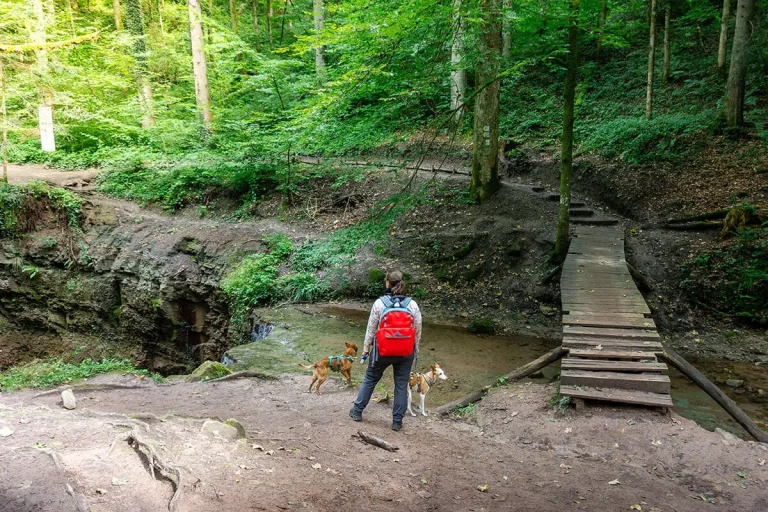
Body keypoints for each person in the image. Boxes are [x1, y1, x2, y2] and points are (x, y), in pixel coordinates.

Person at [349, 270, 422, 431]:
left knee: (370, 379)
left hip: (382, 351)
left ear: (387, 283)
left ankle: (357, 411)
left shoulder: (379, 303)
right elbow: (417, 330)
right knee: (401, 385)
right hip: (405, 352)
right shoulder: (412, 304)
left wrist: (365, 350)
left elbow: (371, 329)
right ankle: (397, 422)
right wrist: (415, 349)